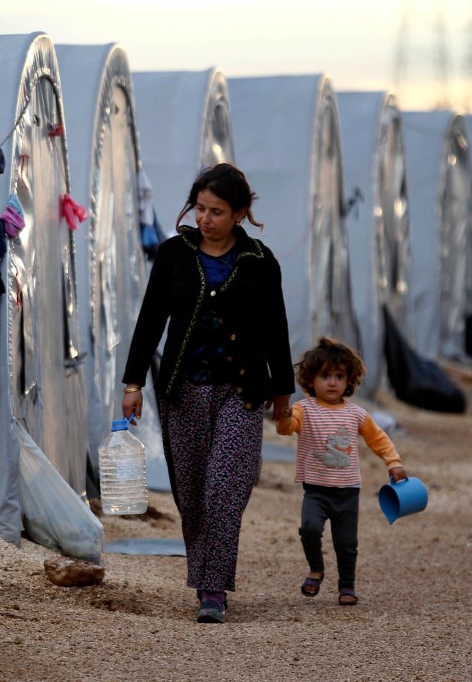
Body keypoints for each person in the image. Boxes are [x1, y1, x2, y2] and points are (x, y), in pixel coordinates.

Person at [120, 163, 294, 624]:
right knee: (193, 492)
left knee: (224, 487)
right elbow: (150, 319)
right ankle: (203, 579)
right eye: (200, 208)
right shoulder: (174, 254)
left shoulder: (260, 261)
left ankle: (213, 588)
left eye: (216, 211)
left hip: (243, 391)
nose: (205, 219)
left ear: (239, 214)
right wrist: (133, 382)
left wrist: (282, 395)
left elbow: (276, 328)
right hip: (184, 389)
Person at [276, 337, 407, 606]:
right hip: (315, 489)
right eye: (325, 376)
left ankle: (347, 585)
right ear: (311, 380)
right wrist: (285, 415)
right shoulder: (304, 409)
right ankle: (316, 568)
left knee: (346, 543)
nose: (332, 382)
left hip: (347, 491)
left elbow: (378, 439)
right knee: (309, 529)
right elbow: (287, 429)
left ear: (350, 381)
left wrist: (393, 463)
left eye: (339, 376)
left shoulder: (356, 414)